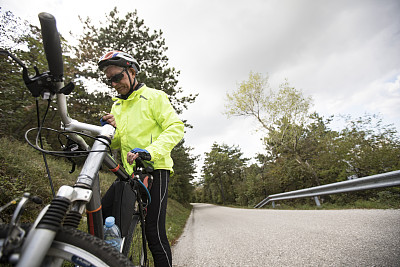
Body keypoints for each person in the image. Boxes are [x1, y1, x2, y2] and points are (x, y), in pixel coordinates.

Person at [98, 50, 184, 267]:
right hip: (128, 173)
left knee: (153, 233)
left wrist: (150, 152)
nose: (114, 84)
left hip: (156, 169)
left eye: (117, 77)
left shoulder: (155, 96)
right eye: (110, 80)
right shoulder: (117, 106)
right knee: (101, 218)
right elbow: (118, 144)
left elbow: (176, 128)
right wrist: (111, 130)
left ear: (132, 71)